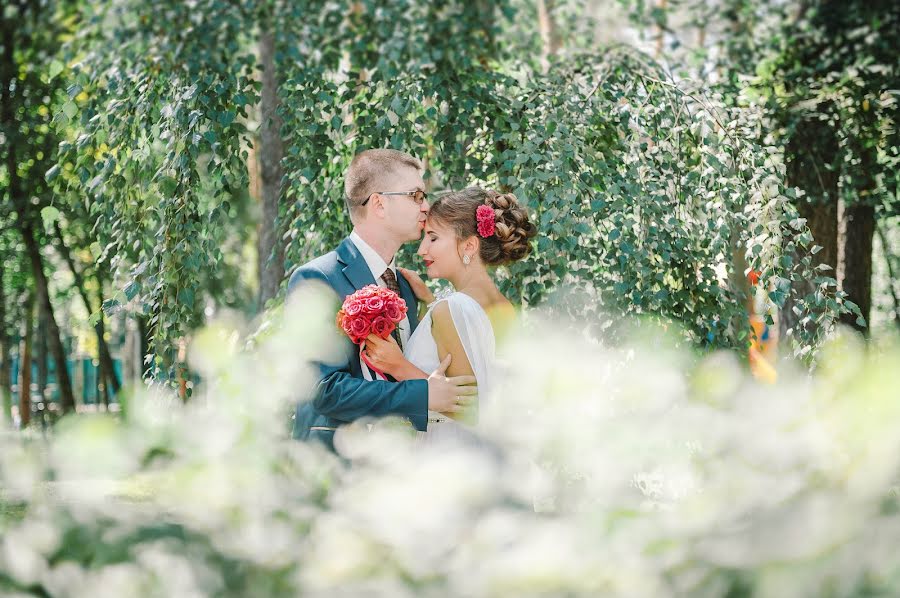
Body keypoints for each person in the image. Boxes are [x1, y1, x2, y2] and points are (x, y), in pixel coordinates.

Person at [287, 149, 477, 452]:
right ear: (379, 204)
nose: (426, 207)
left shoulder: (406, 287)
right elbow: (322, 389)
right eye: (415, 196)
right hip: (336, 470)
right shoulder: (317, 279)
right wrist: (423, 395)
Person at [363, 186, 537, 444]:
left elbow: (470, 410)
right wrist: (430, 303)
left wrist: (398, 366)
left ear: (469, 246)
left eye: (433, 238)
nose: (422, 249)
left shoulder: (450, 310)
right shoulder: (503, 306)